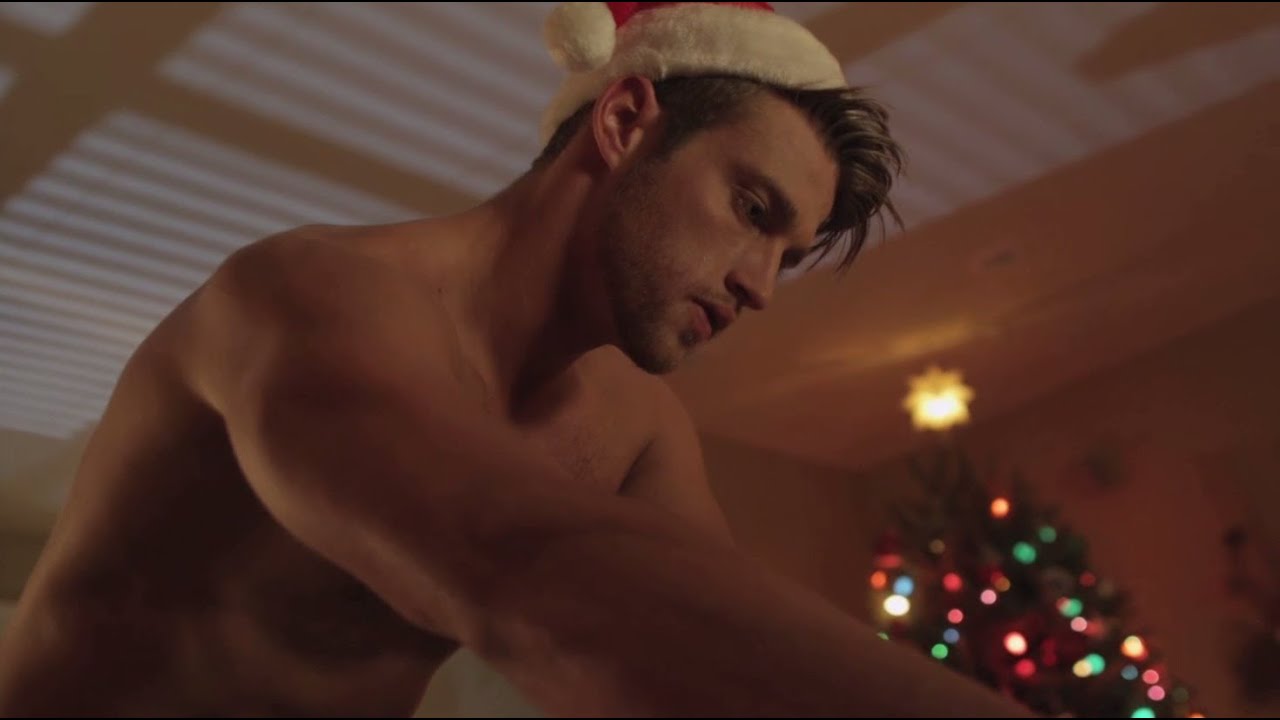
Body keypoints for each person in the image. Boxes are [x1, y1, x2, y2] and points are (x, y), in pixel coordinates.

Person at [0, 2, 1031, 716]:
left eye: (787, 255)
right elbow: (520, 565)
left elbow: (703, 639)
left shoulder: (636, 428)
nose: (761, 284)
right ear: (623, 122)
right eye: (751, 210)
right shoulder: (307, 295)